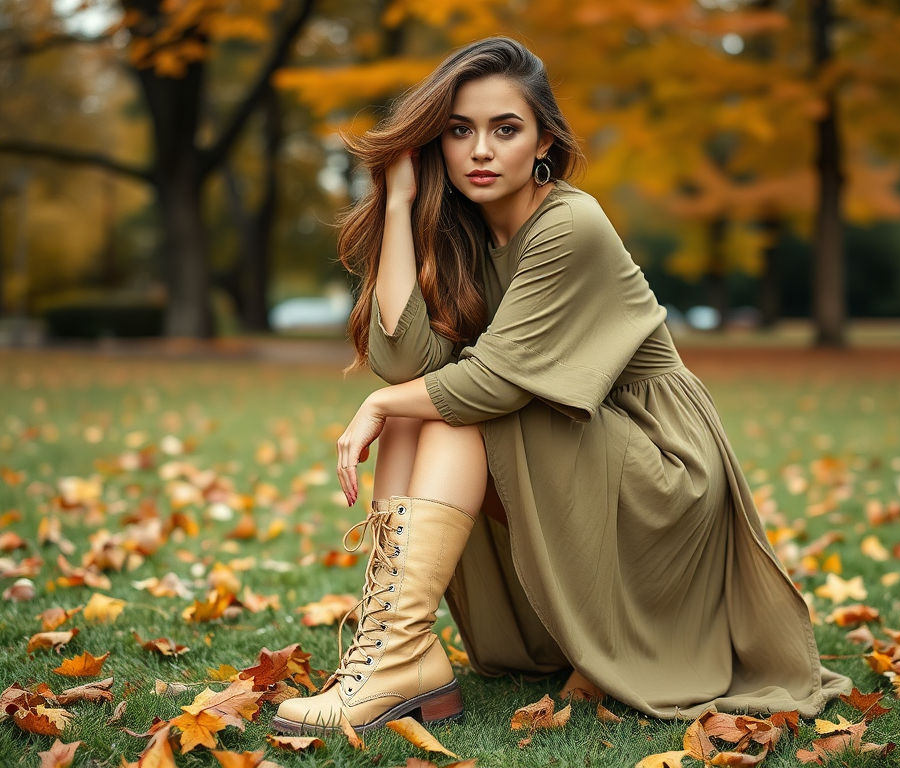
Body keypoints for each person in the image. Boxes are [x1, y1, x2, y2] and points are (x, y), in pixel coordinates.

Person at [272, 36, 851, 736]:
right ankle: (400, 650)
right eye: (459, 131)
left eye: (505, 129)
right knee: (415, 413)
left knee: (450, 412)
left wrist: (376, 403)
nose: (481, 150)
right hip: (578, 442)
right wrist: (399, 203)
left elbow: (487, 386)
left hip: (662, 469)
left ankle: (395, 655)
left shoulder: (570, 224)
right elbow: (407, 364)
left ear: (543, 140)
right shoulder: (469, 237)